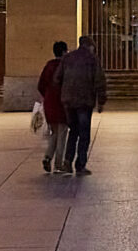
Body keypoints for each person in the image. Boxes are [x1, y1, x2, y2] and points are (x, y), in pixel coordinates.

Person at [56, 34, 106, 175]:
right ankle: (80, 164)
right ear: (91, 46)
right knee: (84, 134)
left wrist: (65, 91)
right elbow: (99, 81)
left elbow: (57, 78)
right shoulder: (92, 59)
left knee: (73, 131)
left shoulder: (67, 58)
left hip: (69, 102)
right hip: (84, 101)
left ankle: (67, 161)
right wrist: (101, 101)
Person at [36, 40, 69, 174]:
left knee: (54, 133)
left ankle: (48, 157)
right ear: (63, 52)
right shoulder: (65, 66)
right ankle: (58, 164)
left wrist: (47, 96)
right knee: (62, 134)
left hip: (50, 103)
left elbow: (41, 85)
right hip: (62, 103)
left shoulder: (49, 65)